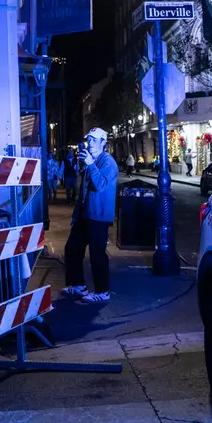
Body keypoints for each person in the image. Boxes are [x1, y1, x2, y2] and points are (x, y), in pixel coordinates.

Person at [63, 127, 119, 303]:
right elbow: (83, 192)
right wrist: (75, 214)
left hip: (99, 216)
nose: (90, 143)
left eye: (94, 140)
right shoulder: (91, 161)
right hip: (85, 215)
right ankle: (78, 285)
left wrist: (90, 164)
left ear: (103, 143)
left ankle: (103, 291)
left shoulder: (107, 162)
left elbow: (100, 185)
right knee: (72, 248)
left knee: (97, 254)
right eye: (89, 139)